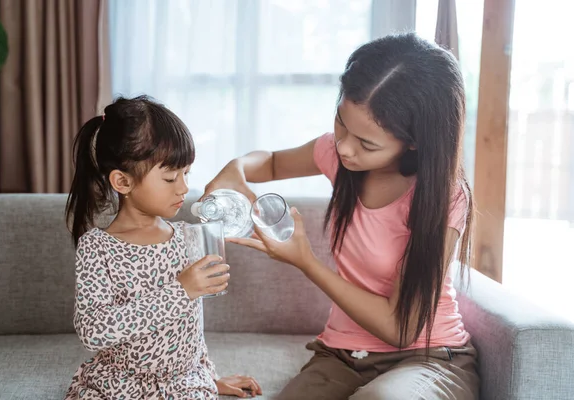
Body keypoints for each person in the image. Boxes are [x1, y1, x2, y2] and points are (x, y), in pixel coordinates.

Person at [204, 33, 479, 400]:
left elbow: (400, 329)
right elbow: (269, 162)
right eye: (341, 123)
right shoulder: (337, 155)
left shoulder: (443, 197)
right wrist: (235, 168)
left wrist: (307, 263)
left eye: (367, 143)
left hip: (427, 357)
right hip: (342, 357)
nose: (345, 147)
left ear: (414, 141)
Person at [64, 96, 262, 399]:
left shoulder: (187, 237)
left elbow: (193, 328)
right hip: (119, 387)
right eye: (170, 177)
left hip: (183, 384)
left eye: (186, 174)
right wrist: (180, 290)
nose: (183, 187)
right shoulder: (97, 249)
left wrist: (210, 377)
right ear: (122, 181)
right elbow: (93, 331)